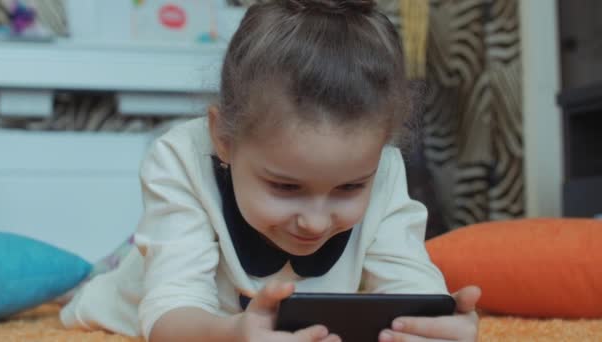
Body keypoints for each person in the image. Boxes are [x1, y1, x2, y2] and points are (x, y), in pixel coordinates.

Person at [61, 0, 480, 341]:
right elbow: (170, 309)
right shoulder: (182, 157)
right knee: (94, 282)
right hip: (133, 301)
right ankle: (112, 260)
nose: (315, 221)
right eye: (285, 186)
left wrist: (432, 321)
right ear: (224, 138)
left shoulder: (383, 168)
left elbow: (409, 282)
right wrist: (231, 335)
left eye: (349, 187)